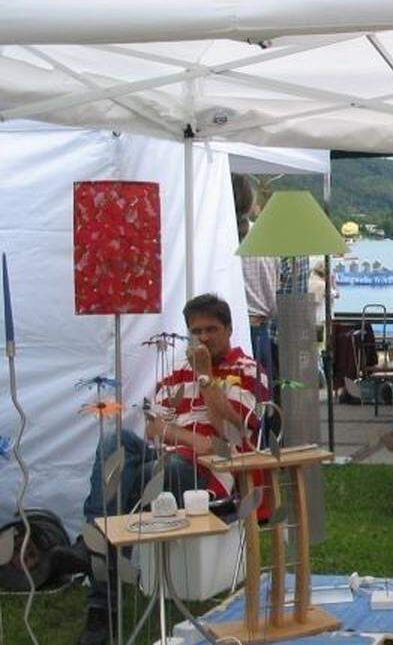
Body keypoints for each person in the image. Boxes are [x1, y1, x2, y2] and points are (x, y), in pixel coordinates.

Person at [68, 294, 268, 644]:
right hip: (170, 457)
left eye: (211, 329)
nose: (203, 338)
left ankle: (98, 586)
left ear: (229, 330)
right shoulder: (175, 374)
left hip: (208, 476)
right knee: (115, 442)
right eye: (196, 331)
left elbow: (232, 434)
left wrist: (206, 379)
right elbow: (153, 428)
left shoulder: (247, 370)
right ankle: (97, 561)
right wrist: (191, 438)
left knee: (140, 480)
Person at [236, 176, 279, 384]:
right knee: (260, 400)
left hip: (218, 332)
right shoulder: (265, 236)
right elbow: (274, 297)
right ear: (250, 202)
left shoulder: (211, 234)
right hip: (258, 328)